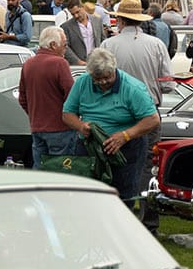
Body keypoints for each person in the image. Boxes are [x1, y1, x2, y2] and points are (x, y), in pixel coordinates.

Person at [62, 48, 161, 227]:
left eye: (107, 77)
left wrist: (125, 135)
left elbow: (152, 119)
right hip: (90, 144)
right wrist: (80, 126)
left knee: (123, 193)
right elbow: (67, 113)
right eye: (97, 79)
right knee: (88, 190)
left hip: (127, 147)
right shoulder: (82, 83)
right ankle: (91, 228)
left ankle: (120, 229)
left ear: (114, 69)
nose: (103, 82)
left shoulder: (132, 87)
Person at [18, 26, 78, 166]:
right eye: (64, 45)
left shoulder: (28, 64)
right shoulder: (59, 63)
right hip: (61, 129)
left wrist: (35, 115)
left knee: (40, 168)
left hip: (37, 128)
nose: (66, 49)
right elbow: (72, 97)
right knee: (61, 171)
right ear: (53, 45)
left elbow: (22, 99)